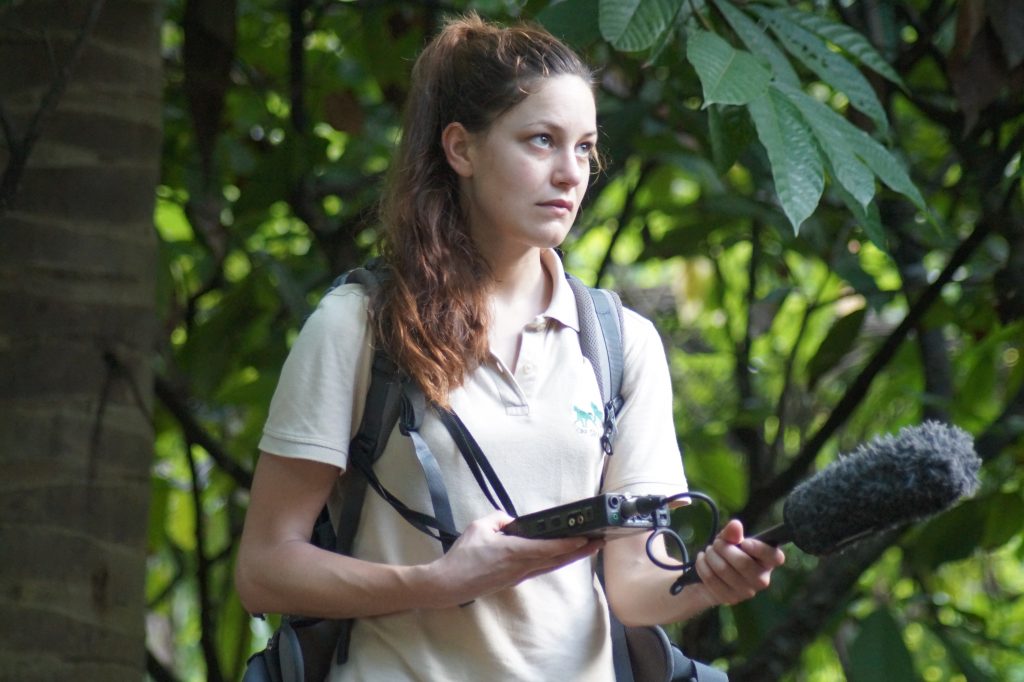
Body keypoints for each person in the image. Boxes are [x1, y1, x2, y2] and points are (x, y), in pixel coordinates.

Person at [235, 12, 784, 681]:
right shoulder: (360, 324)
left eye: (585, 148)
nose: (570, 173)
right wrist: (436, 582)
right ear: (461, 150)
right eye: (541, 141)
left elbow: (635, 588)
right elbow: (264, 569)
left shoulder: (619, 342)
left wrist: (707, 579)